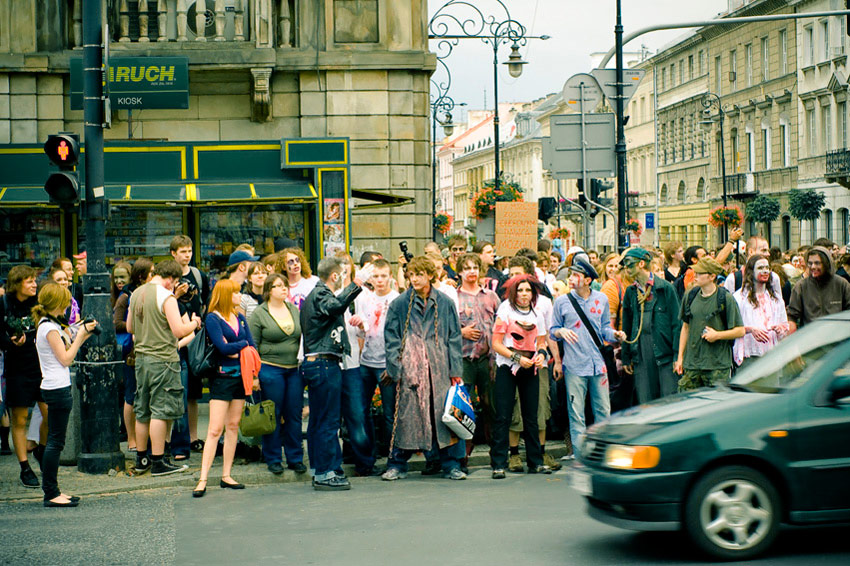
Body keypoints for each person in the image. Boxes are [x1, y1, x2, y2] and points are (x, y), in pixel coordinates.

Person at [381, 256, 466, 481]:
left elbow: (455, 338)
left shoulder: (445, 303)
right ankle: (397, 464)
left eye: (419, 274)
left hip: (439, 369)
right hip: (410, 370)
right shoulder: (400, 303)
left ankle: (450, 464)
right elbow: (391, 337)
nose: (415, 278)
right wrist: (395, 368)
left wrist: (455, 370)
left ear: (430, 275)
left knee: (443, 417)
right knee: (406, 418)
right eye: (411, 274)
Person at [300, 257, 372, 491]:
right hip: (323, 364)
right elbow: (336, 306)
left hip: (321, 363)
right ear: (334, 276)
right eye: (341, 274)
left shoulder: (317, 294)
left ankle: (322, 469)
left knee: (321, 421)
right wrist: (357, 283)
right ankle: (326, 472)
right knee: (328, 421)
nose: (343, 277)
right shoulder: (322, 295)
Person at [127, 259, 200, 477]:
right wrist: (194, 323)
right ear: (170, 279)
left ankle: (141, 459)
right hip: (164, 360)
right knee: (161, 410)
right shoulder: (166, 297)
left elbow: (130, 326)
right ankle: (158, 461)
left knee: (143, 410)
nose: (175, 285)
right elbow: (179, 330)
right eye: (175, 281)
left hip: (141, 360)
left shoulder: (136, 293)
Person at [549, 257, 626, 458]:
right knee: (576, 413)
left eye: (576, 275)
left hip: (598, 365)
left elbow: (604, 330)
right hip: (574, 365)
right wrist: (561, 332)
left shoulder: (601, 299)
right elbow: (552, 330)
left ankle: (603, 450)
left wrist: (616, 335)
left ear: (588, 280)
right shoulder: (562, 302)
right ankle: (580, 453)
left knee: (603, 410)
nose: (572, 279)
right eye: (571, 274)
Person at [32, 282, 97, 507]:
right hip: (56, 388)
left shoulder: (50, 324)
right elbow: (66, 358)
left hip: (56, 386)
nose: (67, 307)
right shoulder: (49, 329)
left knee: (55, 442)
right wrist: (79, 338)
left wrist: (83, 332)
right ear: (56, 304)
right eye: (65, 303)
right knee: (55, 443)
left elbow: (68, 346)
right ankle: (51, 493)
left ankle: (54, 490)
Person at [194, 279, 258, 497]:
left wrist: (237, 349)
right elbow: (222, 347)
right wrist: (241, 347)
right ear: (225, 295)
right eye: (236, 293)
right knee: (214, 429)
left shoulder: (239, 317)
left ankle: (226, 475)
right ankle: (203, 478)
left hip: (241, 378)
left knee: (233, 426)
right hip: (221, 378)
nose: (240, 296)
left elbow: (251, 344)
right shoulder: (213, 318)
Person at [489, 274, 551, 479]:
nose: (524, 294)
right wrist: (516, 357)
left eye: (528, 290)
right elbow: (496, 343)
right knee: (503, 415)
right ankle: (499, 463)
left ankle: (536, 462)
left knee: (531, 416)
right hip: (508, 366)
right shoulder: (505, 310)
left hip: (530, 367)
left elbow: (541, 342)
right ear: (514, 292)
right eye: (520, 290)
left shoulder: (537, 314)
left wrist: (541, 355)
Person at [504, 255, 561, 472]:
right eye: (510, 276)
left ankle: (541, 452)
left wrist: (555, 361)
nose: (513, 280)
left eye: (517, 275)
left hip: (539, 362)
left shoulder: (544, 302)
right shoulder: (506, 302)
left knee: (540, 408)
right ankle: (514, 455)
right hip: (514, 363)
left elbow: (549, 334)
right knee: (515, 409)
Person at [248, 273, 305, 475]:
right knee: (273, 413)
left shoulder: (293, 309)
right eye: (279, 286)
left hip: (293, 369)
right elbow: (252, 345)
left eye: (285, 286)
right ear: (268, 291)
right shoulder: (259, 313)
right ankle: (273, 457)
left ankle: (295, 457)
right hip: (270, 368)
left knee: (294, 414)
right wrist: (255, 376)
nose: (284, 289)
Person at [349, 258, 399, 472]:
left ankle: (393, 459)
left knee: (389, 414)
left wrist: (394, 365)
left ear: (390, 277)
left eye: (383, 276)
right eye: (375, 276)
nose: (379, 280)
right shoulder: (363, 299)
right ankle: (366, 459)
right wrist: (360, 325)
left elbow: (401, 335)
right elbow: (362, 332)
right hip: (366, 361)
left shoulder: (397, 299)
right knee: (361, 411)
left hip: (386, 362)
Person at [0, 265, 45, 487]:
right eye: (29, 281)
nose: (34, 284)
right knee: (19, 418)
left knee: (48, 412)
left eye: (34, 280)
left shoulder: (39, 303)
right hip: (16, 366)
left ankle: (41, 450)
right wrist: (9, 342)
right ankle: (25, 467)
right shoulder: (4, 303)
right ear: (17, 283)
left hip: (40, 364)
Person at [455, 253, 500, 468]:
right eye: (467, 268)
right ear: (460, 272)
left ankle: (497, 454)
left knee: (492, 406)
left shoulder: (491, 296)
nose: (471, 271)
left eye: (475, 267)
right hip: (464, 359)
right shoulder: (453, 297)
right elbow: (445, 328)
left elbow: (502, 324)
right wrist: (461, 331)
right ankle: (463, 453)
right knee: (463, 407)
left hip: (488, 360)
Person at [620, 248, 682, 403]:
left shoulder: (665, 288)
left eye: (629, 264)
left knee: (669, 401)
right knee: (646, 403)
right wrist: (626, 357)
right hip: (641, 353)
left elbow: (677, 324)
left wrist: (677, 356)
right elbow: (627, 326)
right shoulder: (631, 292)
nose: (626, 269)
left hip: (665, 354)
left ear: (641, 264)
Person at [674, 257, 745, 391]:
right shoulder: (690, 296)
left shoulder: (725, 298)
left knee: (716, 406)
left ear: (712, 276)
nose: (696, 275)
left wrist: (717, 335)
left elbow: (740, 330)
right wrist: (680, 358)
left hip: (717, 365)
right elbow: (685, 327)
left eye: (700, 273)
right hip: (693, 364)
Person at [170, 236, 210, 459]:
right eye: (183, 251)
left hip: (195, 336)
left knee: (193, 393)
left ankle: (193, 437)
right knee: (177, 393)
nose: (187, 255)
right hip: (177, 335)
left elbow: (204, 301)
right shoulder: (170, 277)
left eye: (189, 251)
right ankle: (173, 439)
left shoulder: (197, 275)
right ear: (173, 253)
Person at [732, 255, 789, 370]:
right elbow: (732, 328)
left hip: (772, 356)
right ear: (751, 272)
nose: (765, 271)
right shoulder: (739, 298)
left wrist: (780, 329)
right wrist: (750, 330)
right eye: (760, 268)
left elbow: (785, 325)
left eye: (767, 268)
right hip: (749, 356)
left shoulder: (776, 299)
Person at [786, 246, 850, 331]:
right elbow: (792, 316)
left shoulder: (841, 284)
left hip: (837, 338)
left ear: (826, 264)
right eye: (810, 263)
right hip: (810, 339)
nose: (812, 267)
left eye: (817, 263)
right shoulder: (801, 286)